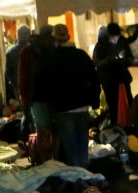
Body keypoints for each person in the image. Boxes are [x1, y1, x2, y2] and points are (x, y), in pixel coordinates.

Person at [45, 24, 101, 166]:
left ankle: (77, 179)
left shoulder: (51, 59)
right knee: (83, 147)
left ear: (54, 39)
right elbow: (94, 79)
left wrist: (50, 110)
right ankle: (85, 175)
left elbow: (48, 86)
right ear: (69, 37)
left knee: (71, 149)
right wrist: (94, 102)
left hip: (63, 109)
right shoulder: (81, 55)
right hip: (82, 106)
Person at [93, 23, 134, 126]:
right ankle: (115, 124)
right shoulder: (101, 45)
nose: (115, 39)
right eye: (112, 37)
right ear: (108, 35)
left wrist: (125, 60)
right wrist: (109, 60)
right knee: (113, 104)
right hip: (109, 80)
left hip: (122, 78)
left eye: (117, 37)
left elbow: (130, 58)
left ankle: (130, 124)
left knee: (128, 101)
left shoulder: (122, 41)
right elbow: (97, 62)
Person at [4, 25, 29, 103]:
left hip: (17, 84)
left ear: (18, 35)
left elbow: (8, 71)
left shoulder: (11, 51)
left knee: (24, 106)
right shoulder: (33, 49)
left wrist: (14, 84)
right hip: (31, 84)